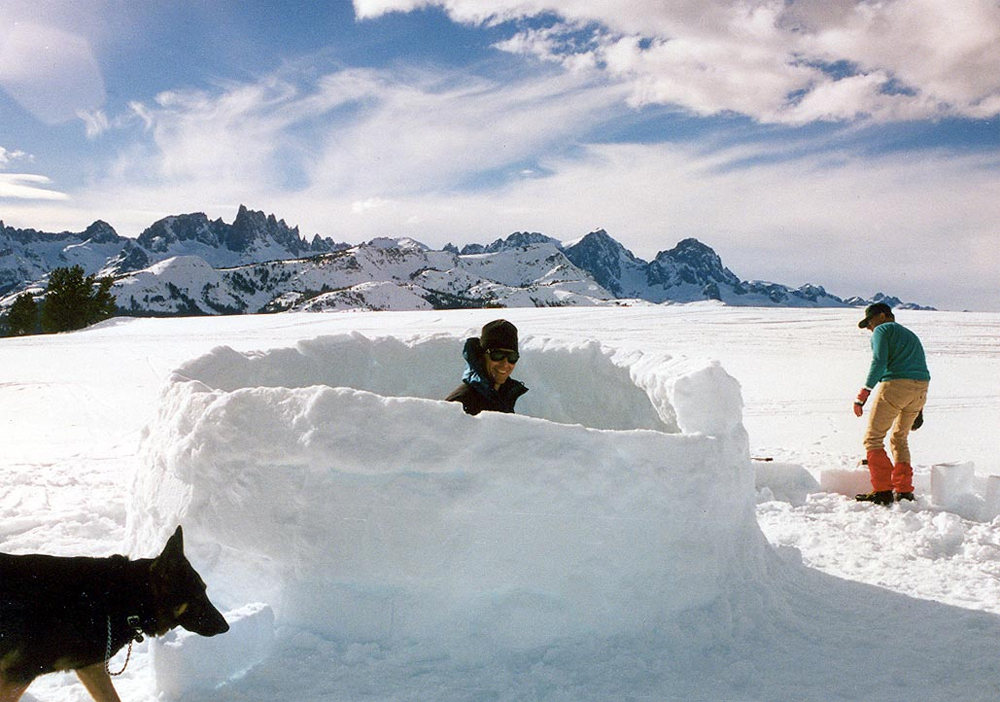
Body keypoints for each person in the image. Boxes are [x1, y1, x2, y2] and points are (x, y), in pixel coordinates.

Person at [852, 303, 930, 505]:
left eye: (870, 321)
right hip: (921, 388)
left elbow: (879, 361)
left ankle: (883, 490)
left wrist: (864, 393)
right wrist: (918, 407)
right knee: (899, 438)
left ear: (882, 315)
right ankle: (904, 490)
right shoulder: (910, 335)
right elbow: (919, 366)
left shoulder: (882, 329)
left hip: (895, 386)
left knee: (873, 439)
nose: (869, 327)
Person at [446, 319, 528, 415]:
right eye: (497, 355)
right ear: (482, 356)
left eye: (512, 357)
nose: (505, 364)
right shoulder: (461, 404)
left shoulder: (503, 397)